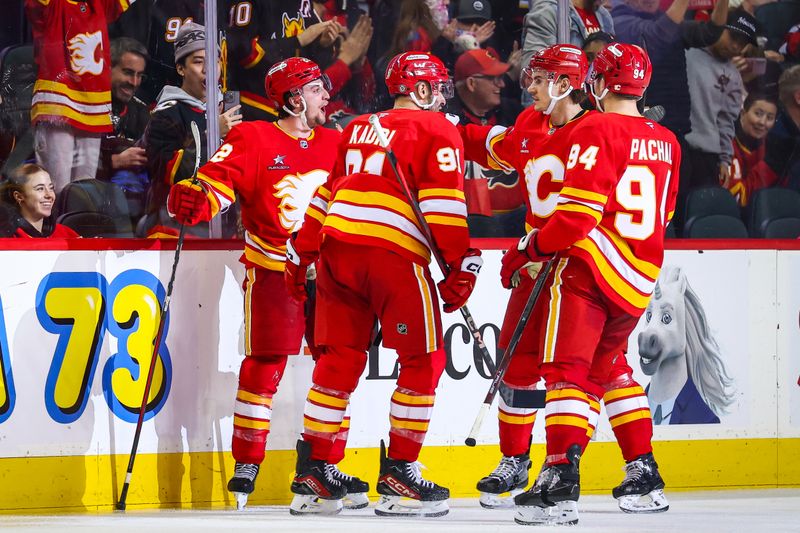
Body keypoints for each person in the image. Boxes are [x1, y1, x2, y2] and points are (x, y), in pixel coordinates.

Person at [164, 56, 367, 510]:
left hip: (330, 275)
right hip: (274, 268)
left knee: (339, 366)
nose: (325, 97)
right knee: (266, 362)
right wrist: (197, 198)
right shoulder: (253, 137)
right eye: (316, 90)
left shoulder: (338, 141)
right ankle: (248, 462)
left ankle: (325, 465)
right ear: (294, 99)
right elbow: (218, 183)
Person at [284, 51, 480, 517]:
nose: (440, 98)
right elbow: (443, 207)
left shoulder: (356, 126)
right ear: (422, 89)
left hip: (336, 250)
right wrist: (460, 266)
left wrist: (302, 251)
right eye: (436, 87)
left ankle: (312, 472)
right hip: (391, 255)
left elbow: (329, 191)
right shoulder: (438, 130)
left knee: (339, 361)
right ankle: (398, 475)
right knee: (424, 360)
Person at [509, 43, 678, 525]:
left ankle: (560, 479)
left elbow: (575, 219)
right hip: (640, 275)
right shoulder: (667, 138)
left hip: (589, 272)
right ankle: (642, 472)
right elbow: (665, 214)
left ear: (600, 84)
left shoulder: (595, 127)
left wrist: (527, 249)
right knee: (610, 369)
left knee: (567, 372)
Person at [456, 43, 595, 508]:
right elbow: (498, 155)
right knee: (514, 365)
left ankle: (588, 466)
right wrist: (441, 128)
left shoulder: (593, 132)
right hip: (534, 262)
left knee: (581, 372)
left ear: (564, 84)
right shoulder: (531, 125)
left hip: (577, 268)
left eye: (538, 80)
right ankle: (514, 460)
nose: (529, 87)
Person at [142, 22, 242, 238]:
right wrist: (212, 134)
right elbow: (168, 172)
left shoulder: (229, 110)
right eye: (198, 62)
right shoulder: (166, 113)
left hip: (223, 228)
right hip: (176, 229)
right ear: (180, 68)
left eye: (214, 61)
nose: (209, 69)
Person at [25, 0, 129, 194]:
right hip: (56, 104)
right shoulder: (52, 4)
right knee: (57, 188)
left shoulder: (99, 3)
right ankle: (55, 226)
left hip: (92, 107)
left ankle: (74, 225)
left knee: (85, 192)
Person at [683, 11, 755, 192]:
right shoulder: (686, 50)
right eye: (733, 37)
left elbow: (726, 121)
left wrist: (724, 159)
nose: (736, 46)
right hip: (674, 144)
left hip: (707, 155)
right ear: (718, 27)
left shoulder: (734, 76)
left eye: (742, 43)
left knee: (700, 214)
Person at [97, 37, 150, 222]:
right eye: (128, 72)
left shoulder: (142, 112)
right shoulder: (84, 105)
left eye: (139, 75)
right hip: (91, 200)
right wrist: (114, 162)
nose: (134, 82)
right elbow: (67, 165)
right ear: (107, 67)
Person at [725, 93, 779, 206]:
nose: (762, 122)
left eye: (770, 118)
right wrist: (768, 168)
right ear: (743, 113)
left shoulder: (773, 148)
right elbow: (733, 197)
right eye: (758, 114)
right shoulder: (726, 145)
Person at [0, 163, 79, 238]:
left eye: (51, 188)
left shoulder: (66, 234)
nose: (49, 195)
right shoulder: (6, 237)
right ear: (19, 196)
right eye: (40, 189)